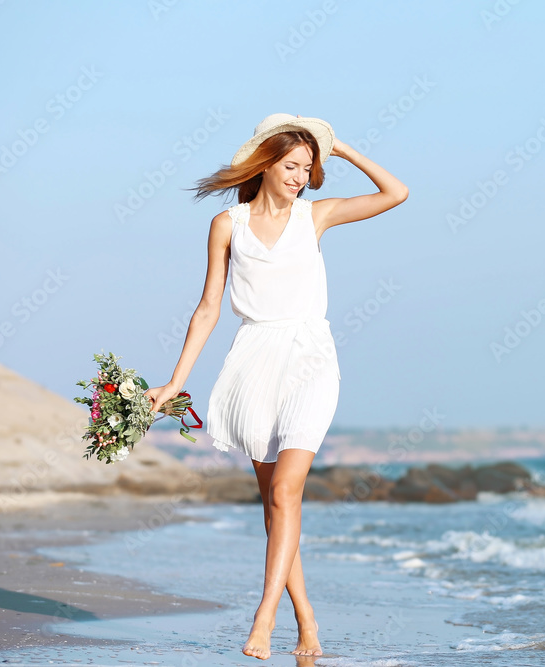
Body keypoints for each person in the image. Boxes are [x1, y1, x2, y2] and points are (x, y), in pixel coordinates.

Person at [144, 112, 408, 659]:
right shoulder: (228, 225)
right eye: (290, 165)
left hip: (310, 358)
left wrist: (343, 149)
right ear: (265, 163)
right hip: (252, 361)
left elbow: (396, 192)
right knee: (275, 505)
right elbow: (208, 308)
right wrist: (175, 381)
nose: (299, 176)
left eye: (307, 168)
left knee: (287, 490)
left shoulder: (317, 217)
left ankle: (262, 619)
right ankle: (306, 620)